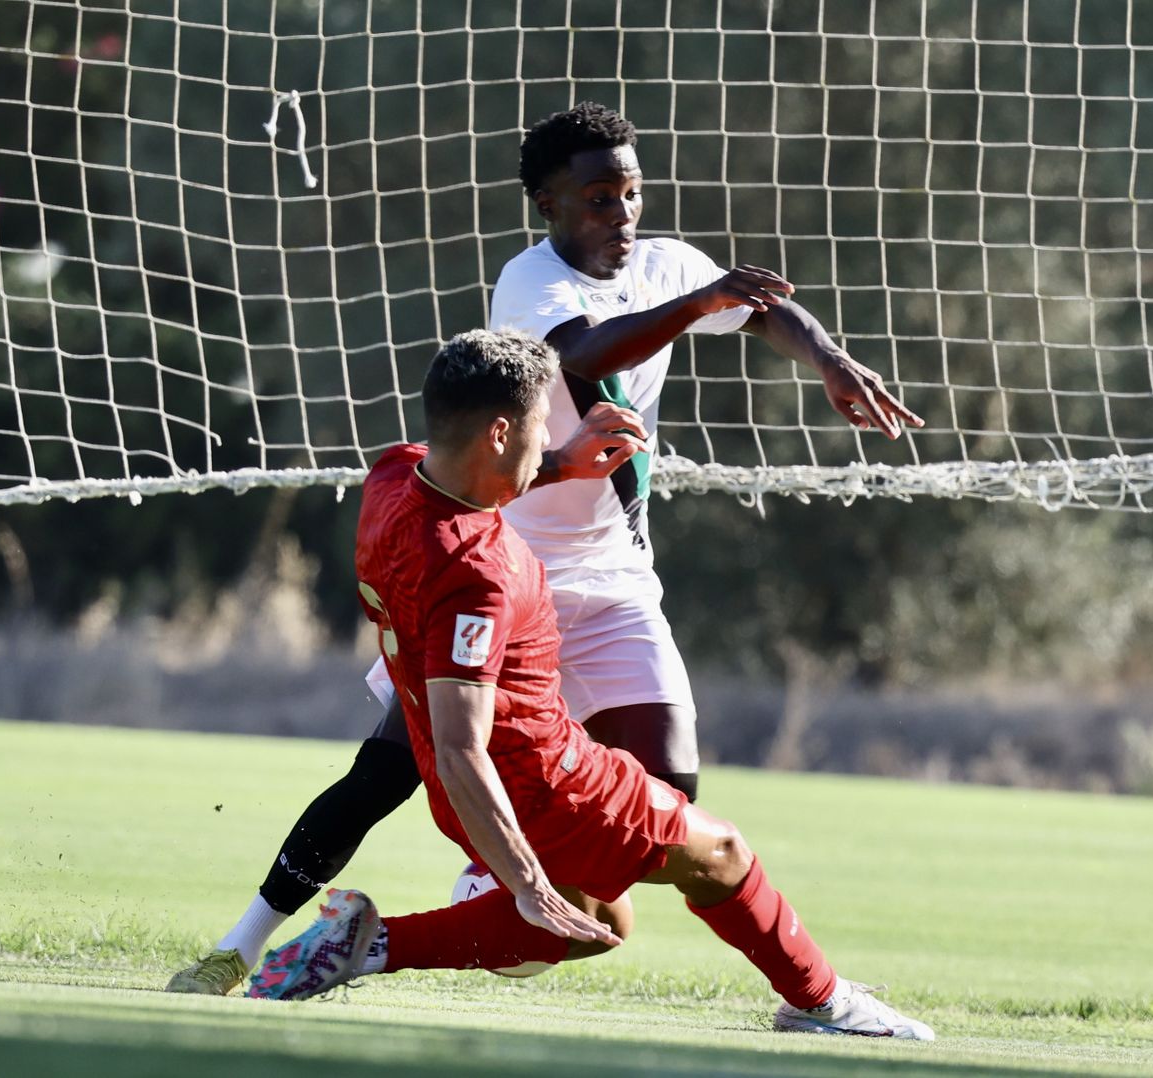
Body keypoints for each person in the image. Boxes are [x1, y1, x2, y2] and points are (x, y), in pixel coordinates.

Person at [167, 101, 922, 995]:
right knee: (387, 770)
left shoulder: (668, 267)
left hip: (616, 574)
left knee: (668, 799)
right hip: (509, 572)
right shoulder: (532, 284)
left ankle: (483, 901)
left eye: (632, 193)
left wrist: (828, 355)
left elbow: (760, 315)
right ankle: (241, 944)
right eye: (599, 198)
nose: (622, 215)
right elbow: (586, 353)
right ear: (548, 206)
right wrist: (697, 304)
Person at [245, 329, 933, 1040]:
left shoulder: (393, 476)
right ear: (500, 431)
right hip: (547, 782)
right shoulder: (472, 574)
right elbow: (461, 746)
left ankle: (364, 945)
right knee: (722, 856)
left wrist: (554, 466)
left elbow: (469, 480)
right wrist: (525, 879)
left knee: (593, 924)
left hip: (484, 785)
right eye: (543, 424)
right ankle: (821, 1002)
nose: (549, 437)